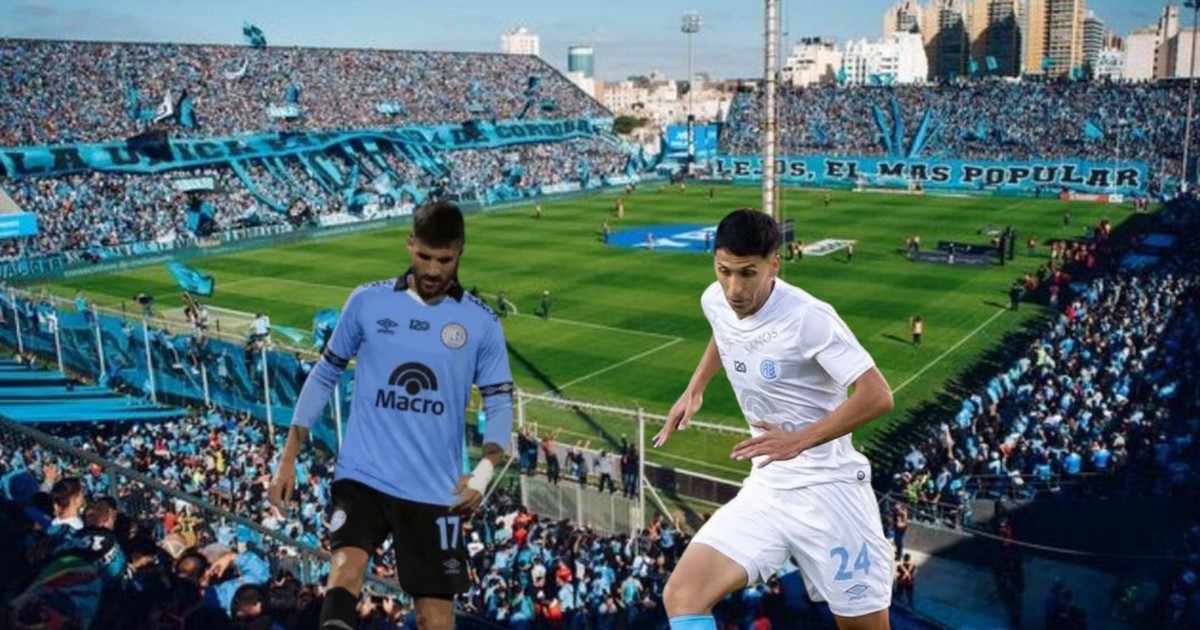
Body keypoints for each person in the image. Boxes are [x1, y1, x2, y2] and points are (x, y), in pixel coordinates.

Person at [268, 201, 515, 630]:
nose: (433, 270)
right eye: (425, 256)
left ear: (460, 251)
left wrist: (484, 471)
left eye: (445, 260)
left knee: (434, 616)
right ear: (410, 244)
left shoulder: (482, 323)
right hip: (363, 474)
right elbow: (324, 375)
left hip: (434, 489)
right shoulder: (368, 301)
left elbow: (499, 404)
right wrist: (287, 457)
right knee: (344, 570)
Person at [654, 209, 895, 630]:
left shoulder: (808, 318)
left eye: (748, 273)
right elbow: (725, 331)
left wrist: (798, 440)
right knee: (683, 595)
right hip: (767, 489)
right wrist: (695, 388)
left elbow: (877, 395)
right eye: (724, 271)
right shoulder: (715, 299)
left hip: (830, 494)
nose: (734, 288)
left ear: (774, 265)